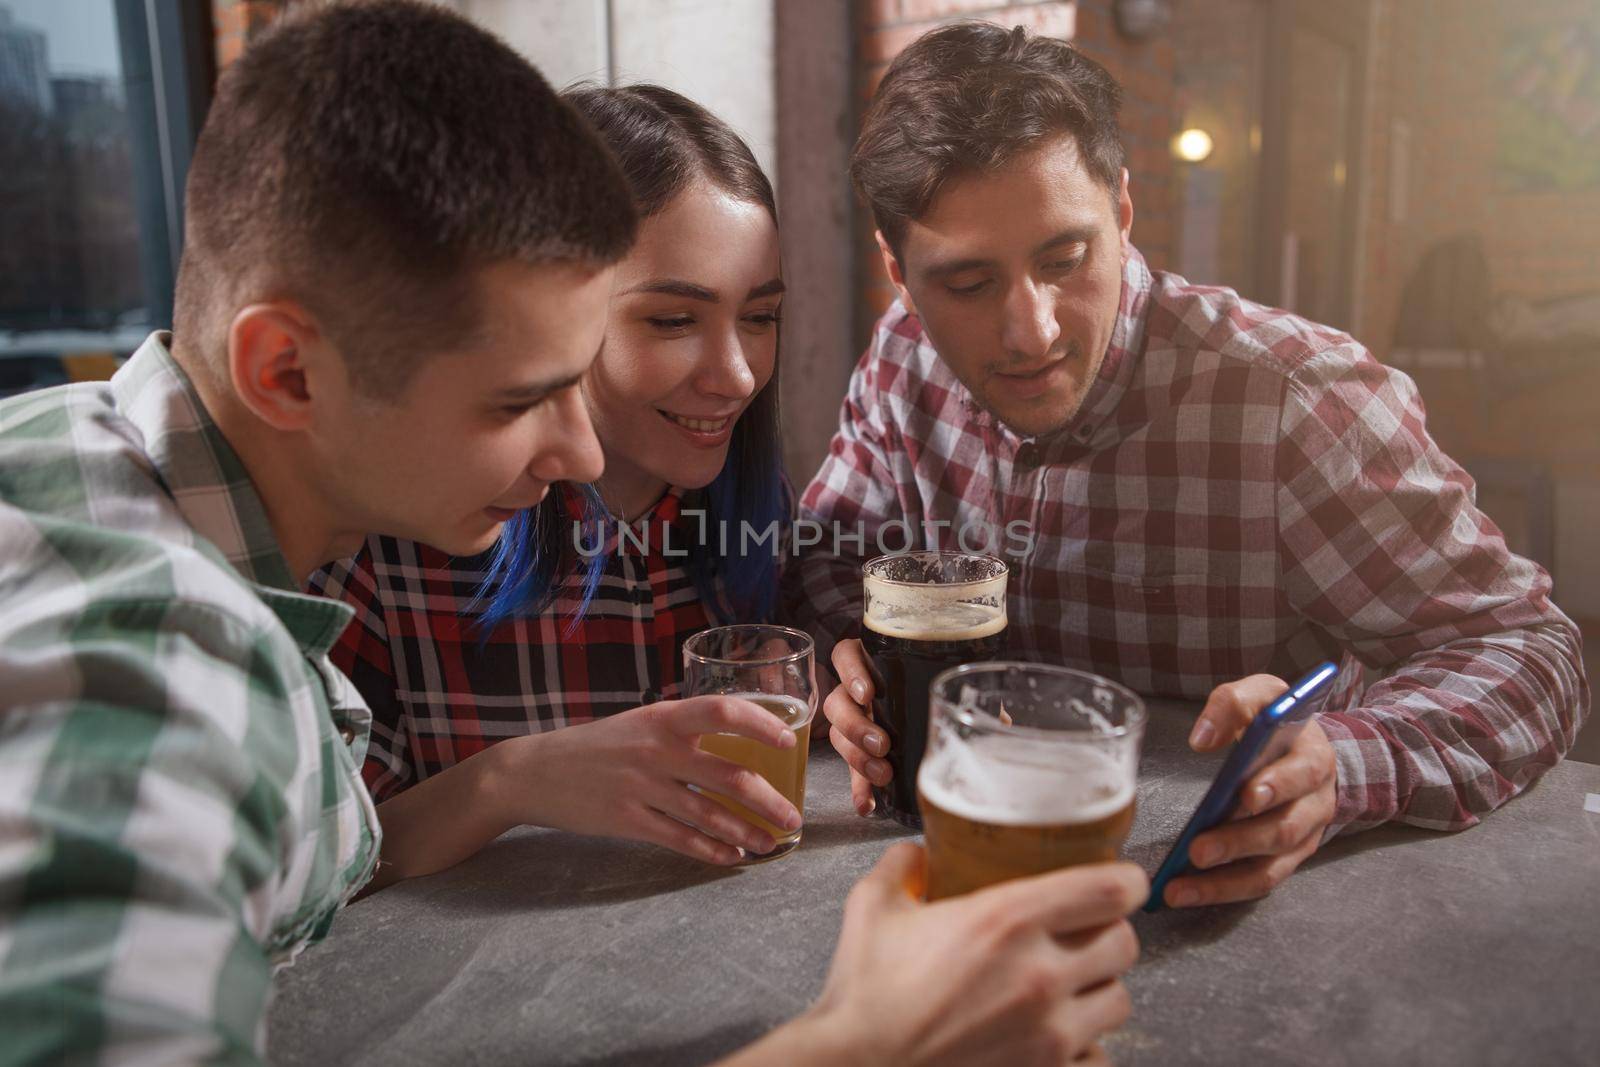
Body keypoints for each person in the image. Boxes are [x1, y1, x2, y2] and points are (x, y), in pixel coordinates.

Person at [0, 4, 1145, 1062]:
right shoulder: (160, 652)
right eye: (516, 397)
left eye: (760, 316)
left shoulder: (93, 459)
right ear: (285, 370)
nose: (582, 458)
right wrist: (862, 1041)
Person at [794, 22, 1590, 910]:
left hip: (1235, 908)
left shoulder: (1293, 398)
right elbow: (828, 551)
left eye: (1066, 258)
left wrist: (1346, 761)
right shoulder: (902, 358)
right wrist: (847, 668)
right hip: (943, 893)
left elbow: (1530, 650)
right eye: (968, 285)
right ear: (898, 273)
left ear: (1124, 211)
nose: (1034, 332)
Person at [309, 84, 800, 881]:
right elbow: (313, 871)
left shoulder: (754, 506)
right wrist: (510, 781)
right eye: (673, 320)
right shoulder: (402, 524)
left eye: (761, 317)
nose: (738, 375)